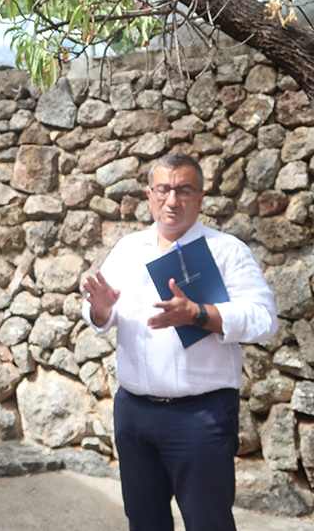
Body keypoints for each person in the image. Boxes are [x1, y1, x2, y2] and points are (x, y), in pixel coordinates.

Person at [81, 153, 278, 531]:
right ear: (149, 195)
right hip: (134, 413)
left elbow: (265, 320)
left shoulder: (227, 250)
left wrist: (200, 314)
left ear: (201, 197)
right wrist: (100, 310)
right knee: (144, 521)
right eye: (163, 190)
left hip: (200, 416)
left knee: (208, 523)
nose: (172, 200)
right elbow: (99, 315)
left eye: (184, 190)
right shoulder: (128, 249)